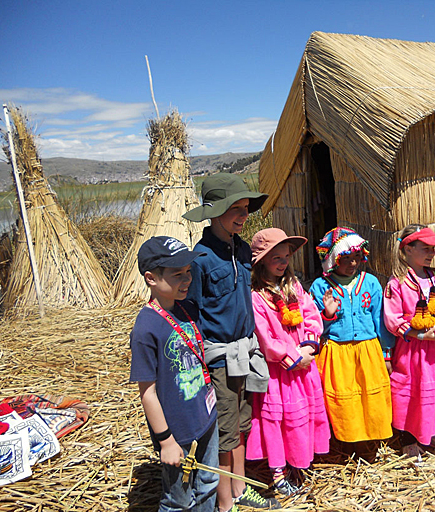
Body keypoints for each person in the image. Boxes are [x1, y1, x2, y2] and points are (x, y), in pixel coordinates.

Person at [183, 174, 278, 512]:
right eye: (234, 209)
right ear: (214, 212)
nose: (243, 215)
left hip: (245, 352)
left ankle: (239, 489)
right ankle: (225, 503)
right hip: (220, 358)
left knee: (241, 425)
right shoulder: (201, 258)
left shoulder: (240, 248)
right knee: (224, 434)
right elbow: (191, 314)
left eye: (246, 209)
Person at [129, 236, 218, 511]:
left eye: (188, 272)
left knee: (209, 483)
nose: (186, 279)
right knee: (178, 499)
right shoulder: (146, 329)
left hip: (206, 418)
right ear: (151, 278)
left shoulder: (187, 308)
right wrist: (166, 441)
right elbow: (148, 394)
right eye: (177, 274)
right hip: (177, 432)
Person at [247, 228, 330, 495]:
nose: (283, 263)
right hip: (279, 374)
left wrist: (308, 346)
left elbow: (311, 315)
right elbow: (265, 336)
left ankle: (298, 462)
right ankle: (278, 471)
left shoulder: (293, 287)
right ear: (261, 262)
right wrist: (293, 357)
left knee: (302, 416)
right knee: (278, 421)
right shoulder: (257, 297)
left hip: (304, 368)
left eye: (285, 257)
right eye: (276, 258)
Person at [309, 227, 393, 456]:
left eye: (356, 257)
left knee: (369, 396)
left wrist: (386, 353)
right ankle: (346, 442)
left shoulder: (371, 283)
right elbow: (313, 325)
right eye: (345, 259)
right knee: (344, 398)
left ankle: (369, 442)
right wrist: (327, 314)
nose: (353, 264)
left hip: (368, 350)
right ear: (332, 261)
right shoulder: (320, 287)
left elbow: (379, 319)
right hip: (337, 351)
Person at [383, 224, 435, 456]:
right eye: (426, 248)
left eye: (434, 249)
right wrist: (420, 334)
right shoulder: (397, 283)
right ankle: (409, 439)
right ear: (408, 249)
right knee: (414, 392)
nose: (432, 253)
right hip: (415, 351)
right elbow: (393, 318)